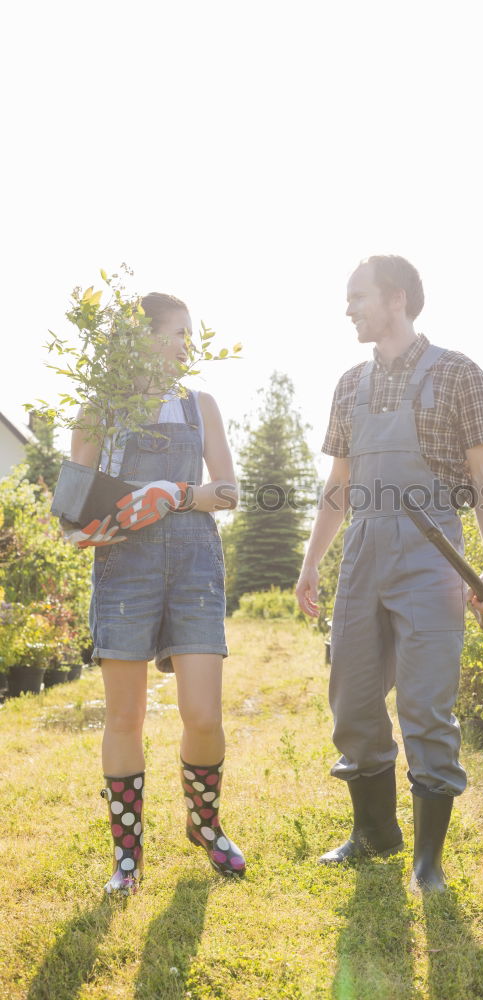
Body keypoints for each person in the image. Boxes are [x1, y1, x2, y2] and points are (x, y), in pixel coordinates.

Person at [296, 256, 483, 892]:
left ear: (397, 298)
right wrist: (311, 565)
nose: (349, 308)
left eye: (358, 297)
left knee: (425, 706)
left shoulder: (459, 374)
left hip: (432, 553)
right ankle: (374, 833)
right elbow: (339, 485)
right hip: (362, 550)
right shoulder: (348, 384)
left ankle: (428, 861)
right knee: (352, 700)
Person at [64, 292, 245, 893]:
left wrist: (172, 493)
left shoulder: (201, 407)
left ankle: (205, 824)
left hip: (195, 562)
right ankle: (127, 855)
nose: (185, 346)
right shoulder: (99, 412)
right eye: (176, 333)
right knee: (125, 715)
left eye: (189, 335)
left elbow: (227, 492)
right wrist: (116, 515)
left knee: (202, 711)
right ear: (139, 339)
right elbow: (70, 518)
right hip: (124, 568)